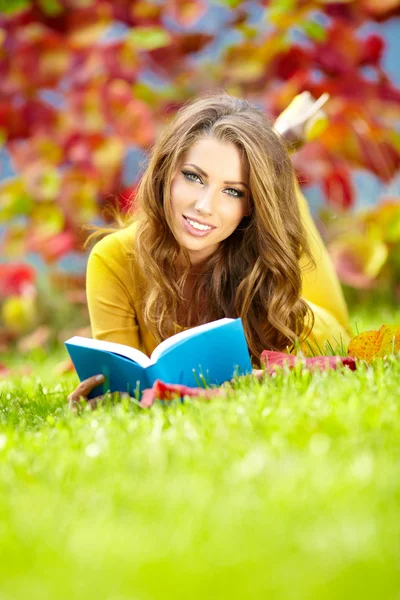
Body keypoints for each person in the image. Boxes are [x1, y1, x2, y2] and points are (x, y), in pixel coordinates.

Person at [67, 92, 351, 410]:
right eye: (193, 177)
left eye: (232, 191)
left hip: (312, 323)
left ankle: (276, 148)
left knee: (285, 211)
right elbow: (122, 388)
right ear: (166, 173)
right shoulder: (113, 259)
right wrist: (107, 400)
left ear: (249, 204)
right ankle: (273, 145)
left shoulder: (266, 252)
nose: (204, 207)